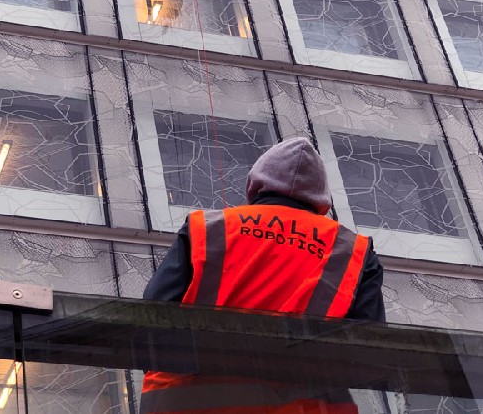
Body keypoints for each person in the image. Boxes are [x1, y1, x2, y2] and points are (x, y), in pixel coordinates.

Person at [140, 137, 385, 414]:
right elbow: (368, 352)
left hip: (188, 401)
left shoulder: (207, 228)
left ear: (255, 185)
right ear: (321, 201)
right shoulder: (353, 251)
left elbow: (154, 310)